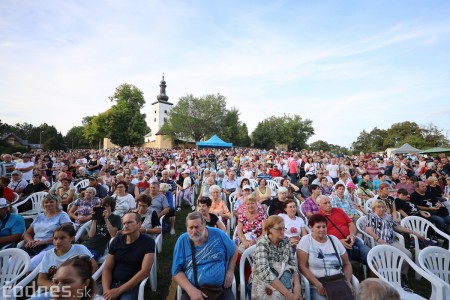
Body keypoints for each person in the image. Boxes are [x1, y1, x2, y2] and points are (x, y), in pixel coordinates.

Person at [172, 211, 237, 300]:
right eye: (190, 228)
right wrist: (191, 290)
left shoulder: (217, 234)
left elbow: (234, 250)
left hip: (220, 290)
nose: (194, 231)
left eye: (197, 227)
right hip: (194, 291)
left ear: (204, 224)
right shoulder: (182, 241)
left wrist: (230, 270)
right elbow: (176, 271)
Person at [365, 199, 424, 288]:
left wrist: (414, 232)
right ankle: (385, 278)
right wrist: (379, 239)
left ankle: (400, 275)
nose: (381, 209)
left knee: (408, 255)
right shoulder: (371, 216)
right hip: (378, 242)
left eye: (383, 207)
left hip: (392, 241)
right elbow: (368, 230)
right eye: (378, 207)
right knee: (392, 257)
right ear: (374, 209)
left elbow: (397, 227)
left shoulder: (388, 216)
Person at [297, 214, 355, 300]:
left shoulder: (334, 240)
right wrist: (318, 285)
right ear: (311, 228)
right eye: (318, 227)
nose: (322, 230)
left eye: (324, 227)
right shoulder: (306, 240)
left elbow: (347, 264)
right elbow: (302, 266)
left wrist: (348, 282)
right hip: (318, 282)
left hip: (338, 281)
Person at [102, 212, 155, 300]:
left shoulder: (148, 242)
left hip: (130, 286)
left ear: (139, 224)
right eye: (124, 223)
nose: (125, 226)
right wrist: (106, 291)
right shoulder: (116, 241)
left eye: (129, 222)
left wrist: (118, 291)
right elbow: (107, 267)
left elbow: (145, 271)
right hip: (111, 282)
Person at [251, 215, 301, 299]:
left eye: (283, 228)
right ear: (269, 229)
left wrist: (297, 286)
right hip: (263, 282)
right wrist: (287, 294)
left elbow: (292, 264)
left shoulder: (286, 241)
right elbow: (264, 272)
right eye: (279, 229)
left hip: (283, 277)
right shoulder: (262, 243)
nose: (282, 232)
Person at [37, 224, 97, 293]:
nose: (58, 242)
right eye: (55, 238)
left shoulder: (80, 249)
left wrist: (77, 284)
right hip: (53, 290)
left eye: (62, 238)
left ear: (71, 238)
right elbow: (41, 280)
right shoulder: (48, 254)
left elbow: (94, 267)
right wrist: (55, 287)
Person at [316, 195, 370, 266]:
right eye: (325, 203)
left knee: (372, 256)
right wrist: (338, 241)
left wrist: (352, 235)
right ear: (318, 205)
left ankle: (376, 275)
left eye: (329, 202)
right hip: (334, 244)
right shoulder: (317, 217)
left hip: (352, 239)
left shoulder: (339, 211)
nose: (328, 205)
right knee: (346, 264)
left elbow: (351, 224)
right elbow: (319, 235)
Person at [22, 194, 72, 269]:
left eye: (51, 202)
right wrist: (30, 241)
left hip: (52, 245)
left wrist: (44, 242)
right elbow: (27, 233)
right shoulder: (40, 216)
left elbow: (66, 234)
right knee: (10, 263)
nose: (48, 204)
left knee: (30, 266)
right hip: (34, 245)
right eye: (46, 202)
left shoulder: (62, 215)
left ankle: (28, 279)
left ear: (57, 203)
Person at [83, 196, 121, 261]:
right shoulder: (98, 216)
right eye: (102, 206)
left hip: (97, 248)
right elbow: (91, 235)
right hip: (86, 244)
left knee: (84, 262)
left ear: (111, 207)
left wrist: (106, 219)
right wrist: (94, 219)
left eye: (107, 206)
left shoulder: (116, 218)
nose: (104, 208)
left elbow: (113, 235)